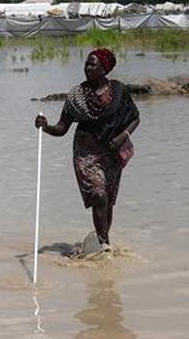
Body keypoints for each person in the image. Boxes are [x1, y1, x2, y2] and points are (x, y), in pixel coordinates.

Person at [35, 48, 140, 251]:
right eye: (86, 64)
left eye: (93, 64)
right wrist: (46, 126)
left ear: (104, 69)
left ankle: (102, 242)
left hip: (112, 154)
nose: (88, 68)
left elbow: (135, 118)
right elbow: (62, 128)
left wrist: (122, 137)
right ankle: (104, 246)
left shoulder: (119, 91)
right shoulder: (77, 96)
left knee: (107, 202)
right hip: (86, 155)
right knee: (99, 195)